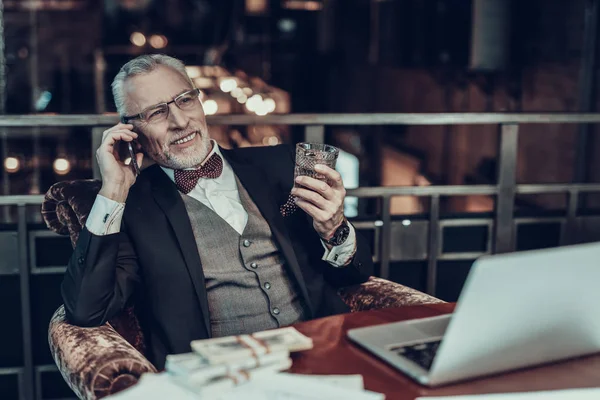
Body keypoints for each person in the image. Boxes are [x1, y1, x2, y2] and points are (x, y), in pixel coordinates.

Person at [61, 54, 374, 369]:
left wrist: (335, 229)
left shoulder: (282, 167)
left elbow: (354, 274)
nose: (180, 121)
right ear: (130, 129)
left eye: (185, 99)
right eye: (156, 112)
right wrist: (113, 190)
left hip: (323, 355)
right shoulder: (131, 207)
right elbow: (87, 308)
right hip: (223, 377)